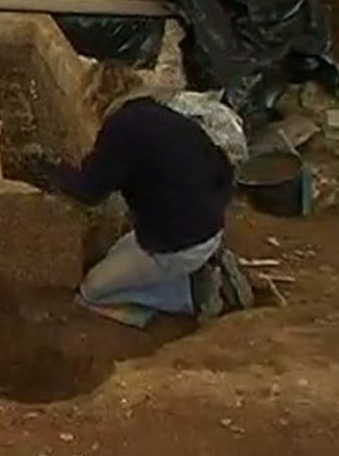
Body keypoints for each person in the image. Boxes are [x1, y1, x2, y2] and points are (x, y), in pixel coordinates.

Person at [26, 63, 254, 321]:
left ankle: (197, 295)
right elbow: (222, 168)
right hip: (208, 229)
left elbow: (89, 191)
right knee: (115, 256)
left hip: (176, 246)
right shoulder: (163, 115)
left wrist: (46, 171)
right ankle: (203, 265)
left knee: (92, 291)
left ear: (96, 99)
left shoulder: (121, 128)